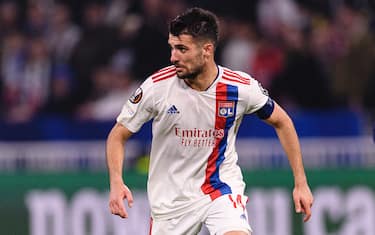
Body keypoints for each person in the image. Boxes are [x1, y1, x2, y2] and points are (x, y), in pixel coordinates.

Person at [106, 7, 313, 235]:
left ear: (207, 50)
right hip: (171, 203)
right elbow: (118, 134)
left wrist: (300, 183)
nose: (173, 57)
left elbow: (283, 122)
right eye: (172, 48)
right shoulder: (157, 87)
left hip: (219, 188)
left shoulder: (239, 88)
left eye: (182, 49)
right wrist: (116, 181)